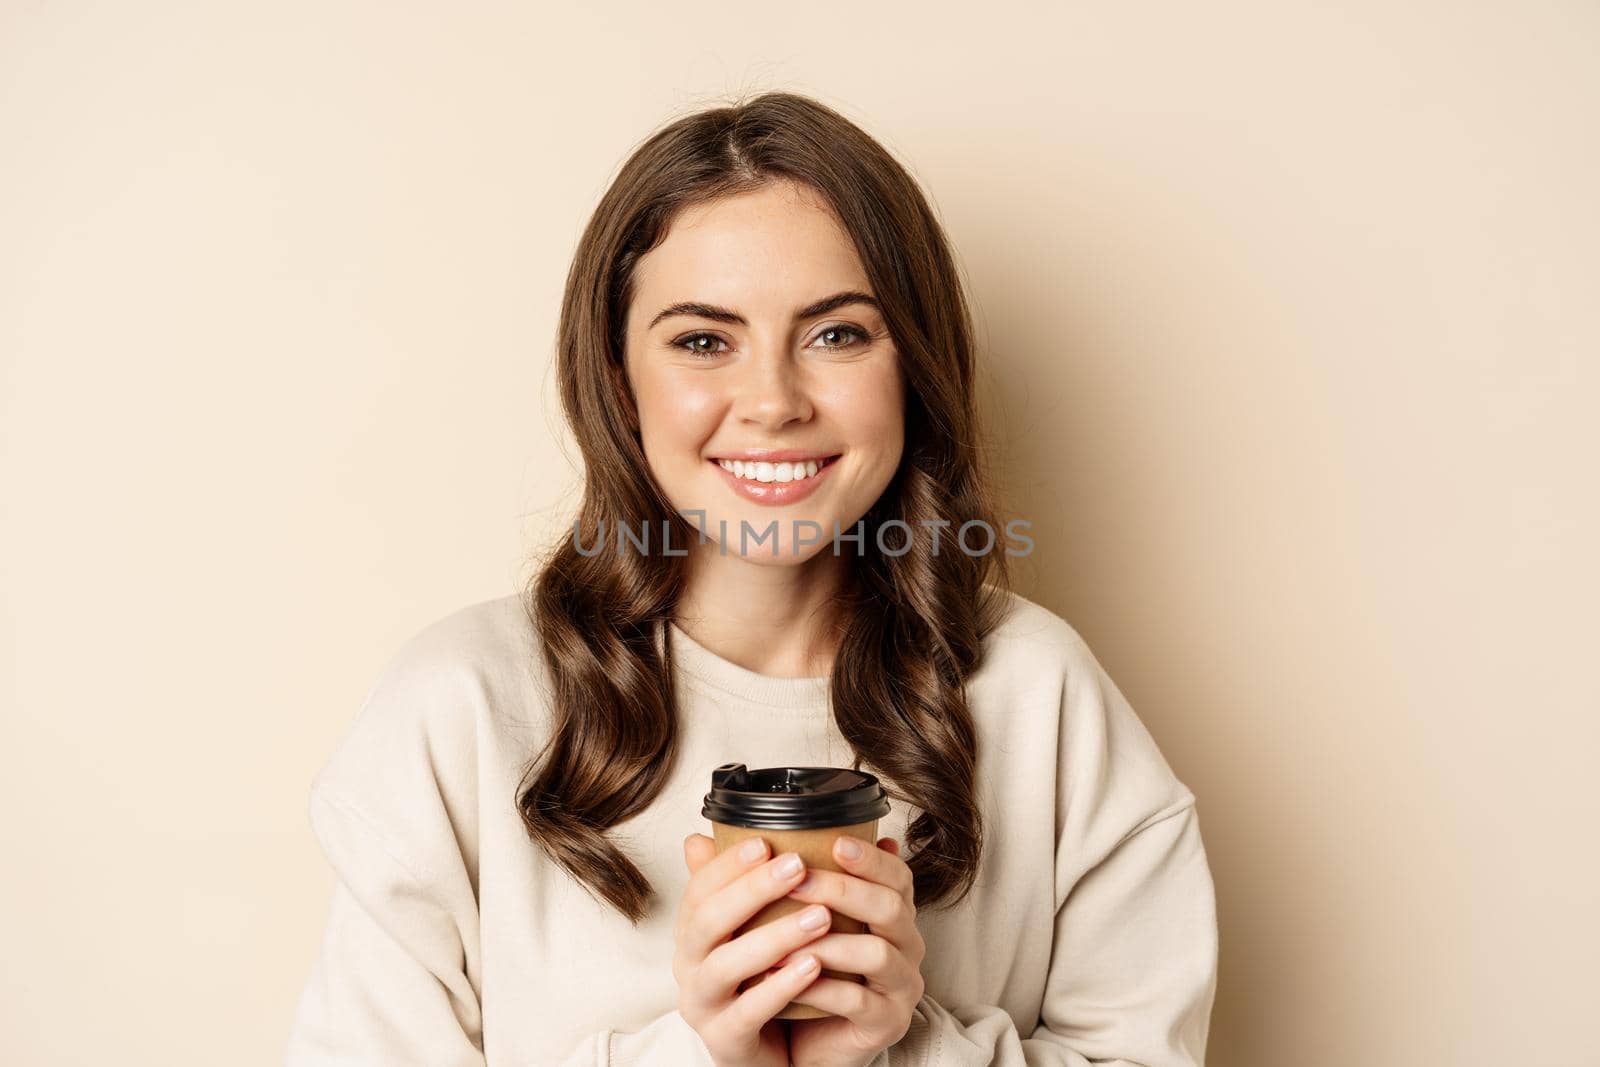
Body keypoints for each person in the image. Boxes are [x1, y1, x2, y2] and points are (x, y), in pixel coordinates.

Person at [285, 91, 1218, 1066]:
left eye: (836, 333)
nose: (771, 402)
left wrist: (903, 1043)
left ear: (914, 365)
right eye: (701, 339)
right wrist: (701, 1051)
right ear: (617, 377)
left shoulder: (1040, 694)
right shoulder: (463, 708)